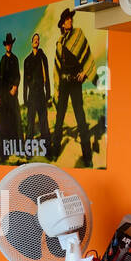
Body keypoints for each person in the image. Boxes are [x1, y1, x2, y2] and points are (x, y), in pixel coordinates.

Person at [52, 8, 95, 167]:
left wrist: (85, 71)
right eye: (67, 19)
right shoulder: (59, 42)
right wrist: (56, 87)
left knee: (81, 117)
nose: (70, 21)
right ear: (63, 24)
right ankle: (55, 151)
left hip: (76, 82)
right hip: (63, 83)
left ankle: (87, 156)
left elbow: (87, 54)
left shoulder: (79, 34)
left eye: (70, 19)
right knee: (59, 118)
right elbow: (57, 66)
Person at [22, 32, 51, 156]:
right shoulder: (27, 60)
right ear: (31, 42)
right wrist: (25, 97)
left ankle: (48, 151)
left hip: (41, 94)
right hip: (31, 95)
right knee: (30, 124)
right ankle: (28, 151)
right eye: (34, 39)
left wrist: (48, 93)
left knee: (44, 123)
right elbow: (24, 81)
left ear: (39, 42)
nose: (36, 41)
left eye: (38, 39)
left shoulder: (43, 57)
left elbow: (47, 76)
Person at [0, 32, 22, 155]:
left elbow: (18, 75)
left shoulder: (15, 59)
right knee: (3, 121)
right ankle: (2, 149)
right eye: (7, 44)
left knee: (15, 119)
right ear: (5, 46)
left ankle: (17, 147)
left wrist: (15, 86)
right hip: (3, 94)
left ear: (12, 45)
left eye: (10, 44)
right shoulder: (2, 59)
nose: (8, 46)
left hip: (12, 93)